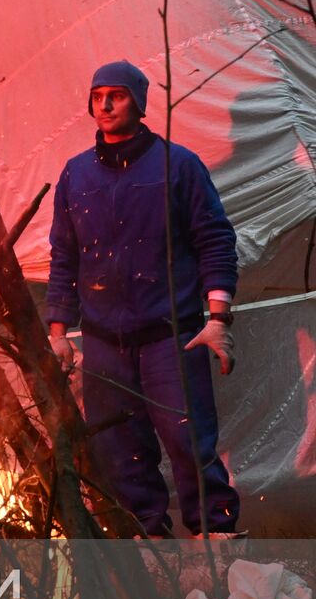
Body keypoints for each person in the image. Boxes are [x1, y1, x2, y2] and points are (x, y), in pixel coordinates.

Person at [46, 60, 241, 538]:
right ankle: (149, 548)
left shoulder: (179, 166)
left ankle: (215, 545)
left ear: (139, 101)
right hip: (104, 345)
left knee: (188, 440)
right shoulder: (76, 175)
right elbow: (64, 258)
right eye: (97, 96)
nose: (106, 105)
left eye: (117, 95)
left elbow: (215, 238)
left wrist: (218, 316)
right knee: (119, 450)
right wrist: (57, 332)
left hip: (170, 336)